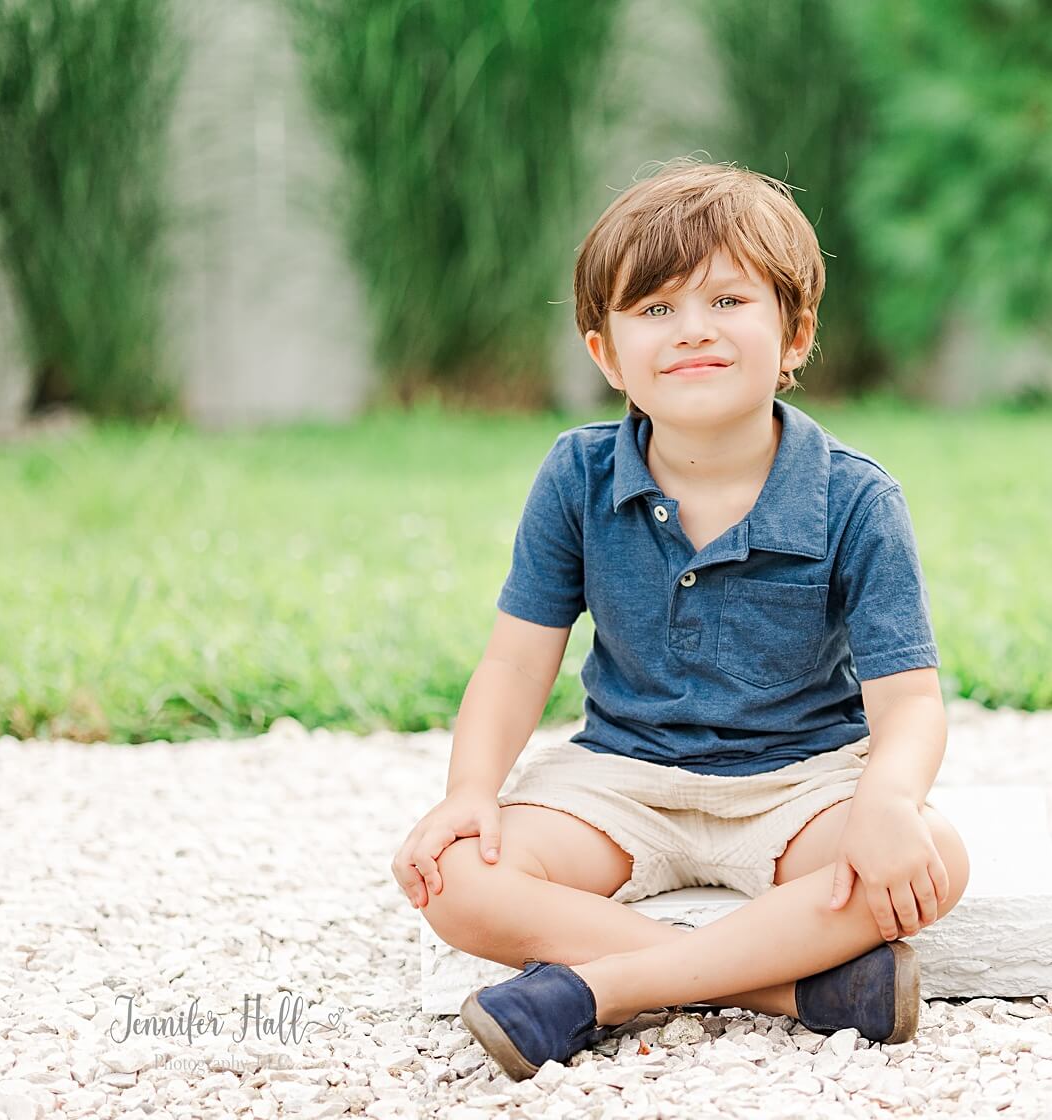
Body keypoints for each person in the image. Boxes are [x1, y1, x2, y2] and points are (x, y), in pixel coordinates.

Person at [391, 158, 970, 1082]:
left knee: (931, 858)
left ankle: (603, 989)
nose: (692, 331)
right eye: (655, 310)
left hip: (798, 781)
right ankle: (781, 987)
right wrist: (469, 793)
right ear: (605, 354)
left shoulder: (854, 498)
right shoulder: (577, 480)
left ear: (796, 333)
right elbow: (514, 667)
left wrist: (889, 800)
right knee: (454, 877)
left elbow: (910, 703)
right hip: (620, 778)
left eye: (728, 301)